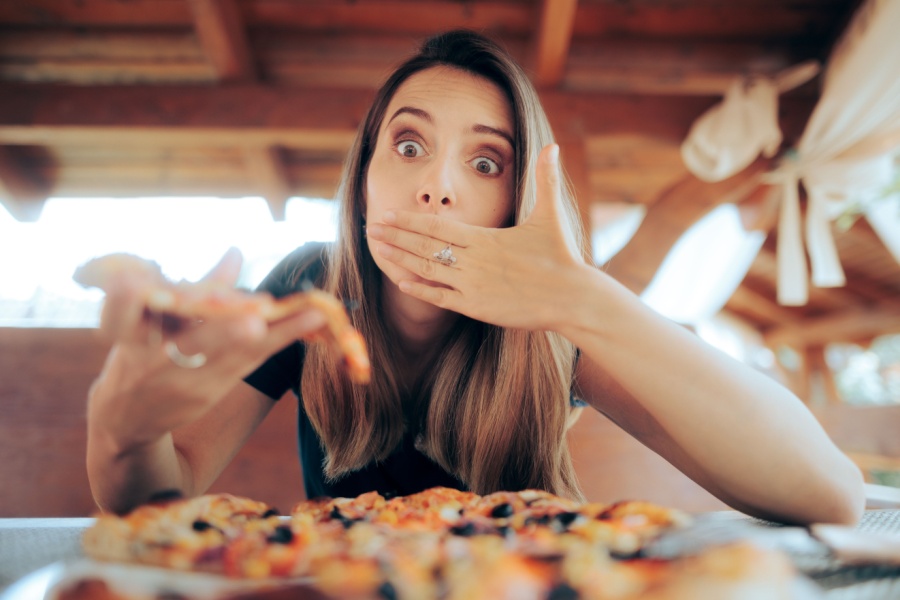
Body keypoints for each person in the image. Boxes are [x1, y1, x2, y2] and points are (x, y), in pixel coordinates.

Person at [86, 30, 864, 525]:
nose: (438, 188)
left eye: (486, 161)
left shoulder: (558, 324)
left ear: (516, 203)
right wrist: (126, 432)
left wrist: (585, 299)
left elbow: (827, 494)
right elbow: (160, 499)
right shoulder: (308, 290)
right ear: (364, 183)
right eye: (409, 146)